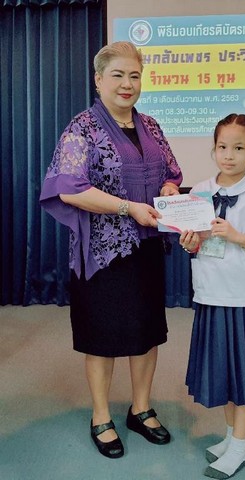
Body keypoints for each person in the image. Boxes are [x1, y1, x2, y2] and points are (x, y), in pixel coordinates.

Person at [40, 41, 182, 459]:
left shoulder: (151, 125)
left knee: (147, 332)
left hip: (147, 248)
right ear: (99, 80)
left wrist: (169, 189)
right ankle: (101, 416)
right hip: (102, 253)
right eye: (118, 75)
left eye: (134, 76)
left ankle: (141, 409)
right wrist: (127, 207)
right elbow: (69, 189)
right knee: (100, 336)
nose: (127, 84)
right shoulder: (81, 128)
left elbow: (170, 173)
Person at [179, 113, 245, 479]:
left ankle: (239, 446)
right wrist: (189, 242)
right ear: (214, 149)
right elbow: (194, 244)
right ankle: (230, 437)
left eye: (238, 148)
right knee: (224, 374)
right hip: (210, 295)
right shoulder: (199, 191)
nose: (228, 155)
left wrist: (238, 237)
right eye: (222, 147)